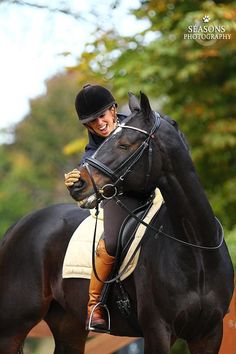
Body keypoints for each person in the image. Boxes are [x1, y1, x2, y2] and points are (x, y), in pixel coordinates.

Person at [64, 84, 146, 332]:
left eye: (102, 116)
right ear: (86, 126)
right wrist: (76, 184)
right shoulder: (91, 153)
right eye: (92, 121)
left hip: (157, 192)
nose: (100, 123)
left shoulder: (136, 125)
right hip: (123, 202)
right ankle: (95, 305)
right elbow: (86, 191)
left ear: (113, 110)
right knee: (110, 242)